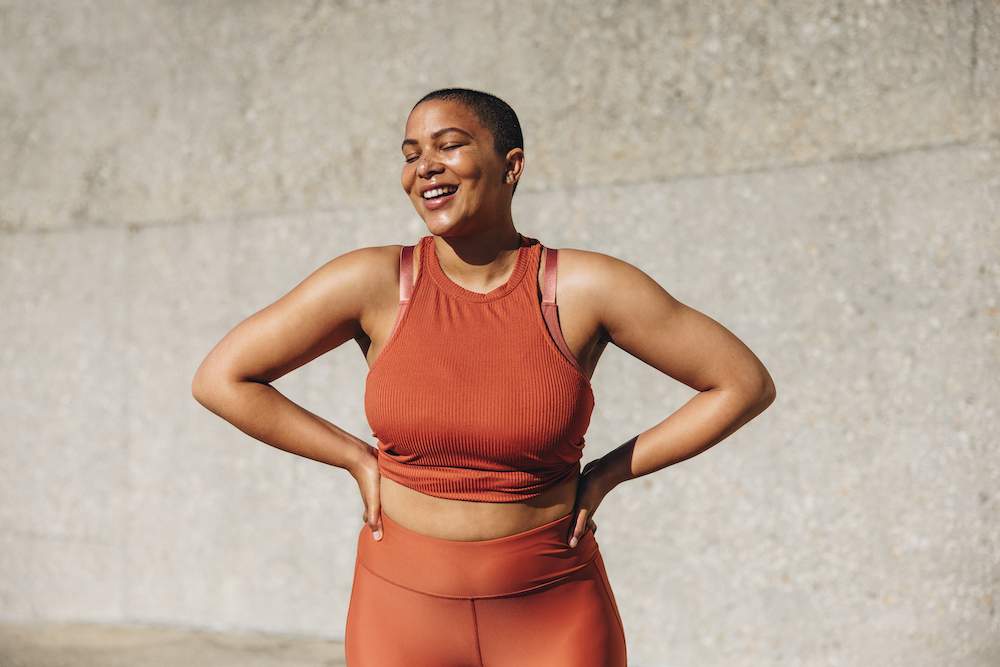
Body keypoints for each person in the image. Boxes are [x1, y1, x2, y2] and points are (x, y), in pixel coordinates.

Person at [191, 87, 776, 666]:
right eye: (411, 153)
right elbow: (223, 378)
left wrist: (605, 476)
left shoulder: (585, 288)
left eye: (450, 146)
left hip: (552, 611)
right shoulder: (372, 283)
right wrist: (355, 458)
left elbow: (740, 383)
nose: (426, 167)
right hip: (400, 614)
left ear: (511, 166)